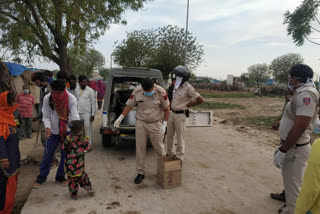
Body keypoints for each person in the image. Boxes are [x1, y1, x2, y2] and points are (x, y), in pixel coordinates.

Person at [273, 64, 319, 214]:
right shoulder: (301, 92)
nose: (289, 81)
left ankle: (293, 210)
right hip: (292, 146)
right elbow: (296, 116)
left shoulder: (306, 95)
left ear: (294, 79)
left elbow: (301, 125)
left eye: (290, 78)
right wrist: (281, 123)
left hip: (295, 148)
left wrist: (283, 149)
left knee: (294, 184)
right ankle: (289, 204)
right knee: (290, 181)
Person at [114, 78, 170, 184]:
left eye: (150, 90)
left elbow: (167, 109)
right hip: (141, 122)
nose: (149, 92)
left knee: (160, 147)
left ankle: (163, 169)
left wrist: (164, 124)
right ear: (142, 88)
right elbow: (129, 105)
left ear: (153, 86)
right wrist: (120, 118)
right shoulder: (137, 91)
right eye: (146, 91)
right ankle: (140, 172)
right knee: (140, 148)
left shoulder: (161, 92)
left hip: (155, 123)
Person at [33, 80, 80, 188]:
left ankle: (60, 176)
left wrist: (74, 132)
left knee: (65, 155)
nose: (56, 95)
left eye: (58, 93)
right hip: (53, 131)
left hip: (67, 130)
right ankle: (42, 177)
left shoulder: (71, 99)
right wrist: (48, 127)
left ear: (64, 90)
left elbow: (75, 116)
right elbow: (46, 115)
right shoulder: (48, 98)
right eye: (54, 92)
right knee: (48, 153)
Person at [166, 65, 204, 161]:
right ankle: (168, 153)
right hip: (172, 114)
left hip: (180, 115)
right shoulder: (173, 86)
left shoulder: (188, 88)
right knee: (169, 136)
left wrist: (188, 105)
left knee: (180, 138)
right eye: (173, 78)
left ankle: (179, 157)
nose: (174, 80)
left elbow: (200, 100)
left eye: (176, 78)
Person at [32, 72, 59, 168]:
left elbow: (51, 107)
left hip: (51, 118)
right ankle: (52, 158)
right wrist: (38, 117)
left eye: (35, 82)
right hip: (45, 117)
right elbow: (43, 107)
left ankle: (53, 159)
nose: (35, 84)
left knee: (47, 138)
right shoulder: (42, 89)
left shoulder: (49, 89)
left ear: (38, 80)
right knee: (46, 139)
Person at [63, 120, 94, 200]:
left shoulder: (68, 138)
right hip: (79, 166)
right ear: (80, 130)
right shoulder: (83, 139)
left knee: (72, 181)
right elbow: (88, 148)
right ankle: (88, 188)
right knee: (83, 178)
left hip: (69, 166)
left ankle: (74, 194)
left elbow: (63, 148)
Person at [0, 91, 20, 214]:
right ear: (7, 103)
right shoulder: (1, 120)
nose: (16, 104)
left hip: (13, 156)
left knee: (10, 186)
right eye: (14, 101)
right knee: (5, 187)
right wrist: (4, 159)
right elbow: (0, 141)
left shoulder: (9, 116)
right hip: (6, 162)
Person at [75, 75, 96, 149]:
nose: (84, 83)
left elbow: (93, 103)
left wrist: (93, 114)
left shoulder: (90, 90)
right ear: (79, 82)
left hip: (87, 113)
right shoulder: (76, 90)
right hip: (78, 113)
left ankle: (88, 146)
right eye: (82, 82)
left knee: (87, 130)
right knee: (79, 130)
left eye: (85, 82)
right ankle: (80, 145)